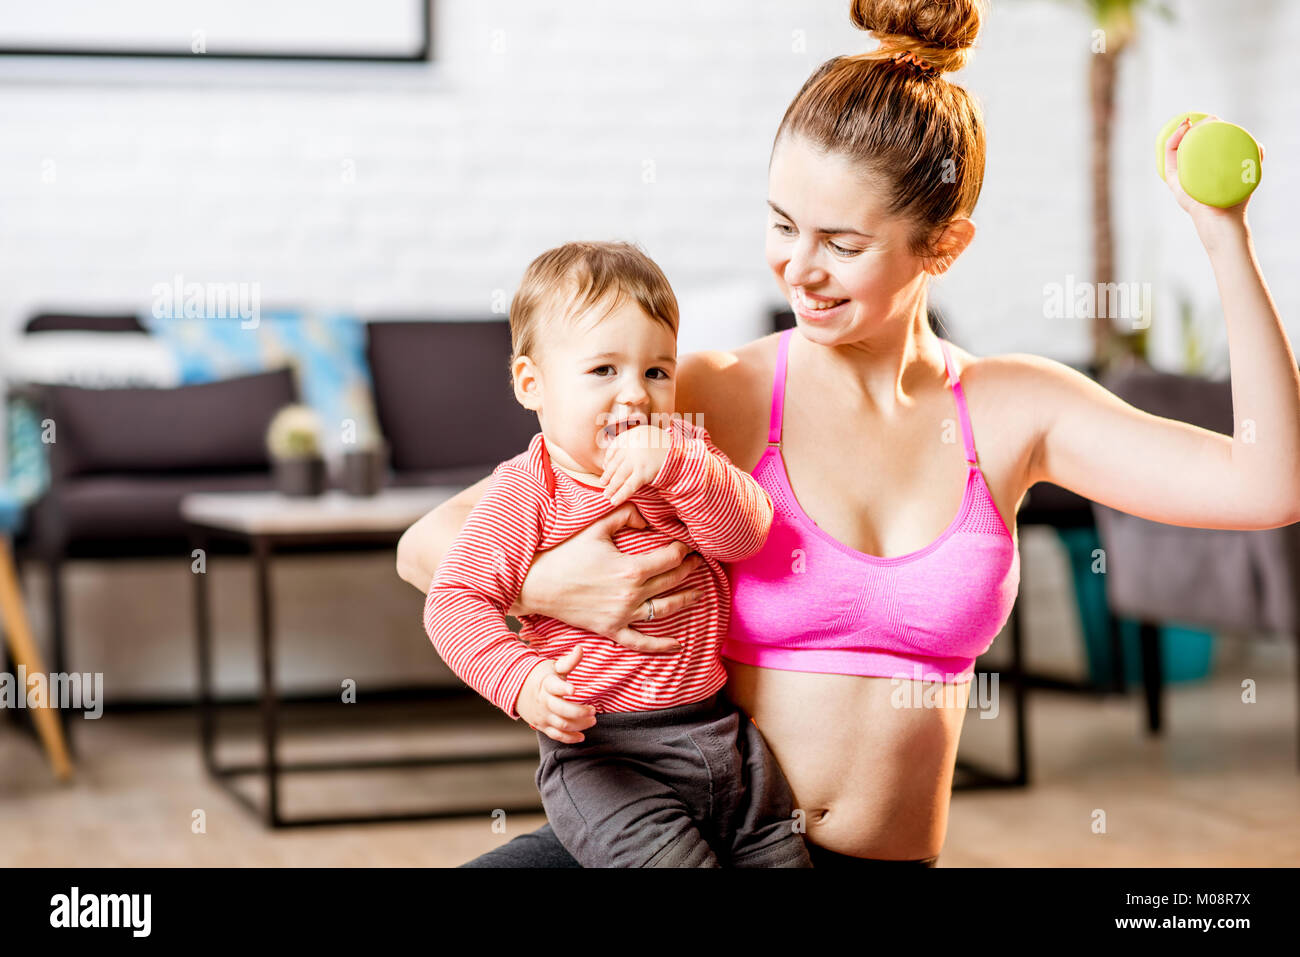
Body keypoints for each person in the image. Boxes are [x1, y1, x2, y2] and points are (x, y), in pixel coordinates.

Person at [397, 0, 1299, 868]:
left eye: (842, 242)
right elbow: (429, 545)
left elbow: (1267, 484)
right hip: (682, 837)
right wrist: (554, 586)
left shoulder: (1012, 408)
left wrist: (1223, 238)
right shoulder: (719, 391)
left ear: (942, 245)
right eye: (783, 225)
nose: (799, 267)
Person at [424, 239, 811, 867]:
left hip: (725, 739)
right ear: (532, 384)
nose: (635, 394)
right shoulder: (528, 491)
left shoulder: (684, 453)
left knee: (781, 856)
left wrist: (680, 465)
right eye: (604, 371)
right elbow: (454, 601)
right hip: (607, 759)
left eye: (656, 371)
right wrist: (520, 681)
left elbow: (746, 534)